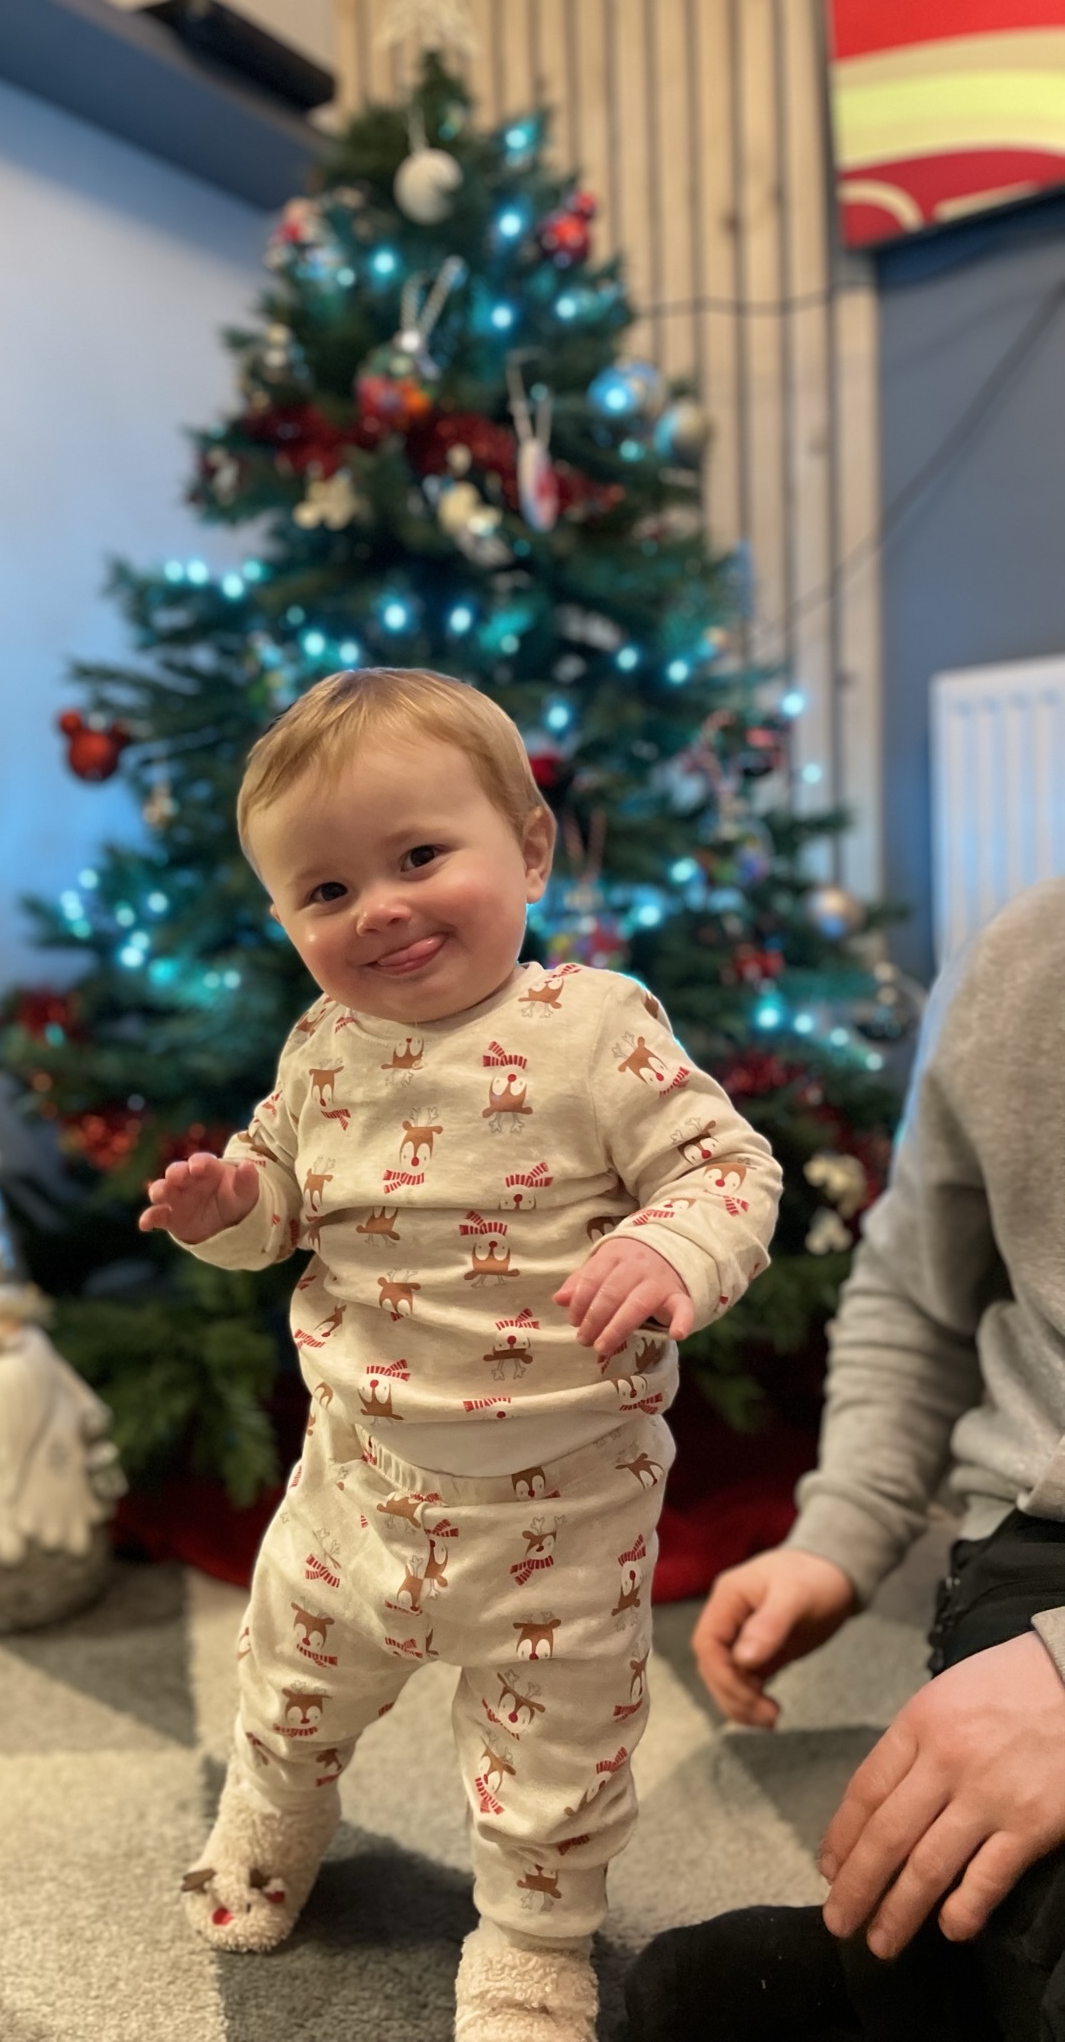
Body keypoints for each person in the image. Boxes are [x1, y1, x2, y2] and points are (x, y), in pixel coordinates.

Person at [138, 668, 782, 2042]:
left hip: (564, 1499)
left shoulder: (597, 1031)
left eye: (419, 856)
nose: (376, 908)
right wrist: (228, 1211)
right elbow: (279, 1199)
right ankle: (270, 1819)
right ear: (286, 921)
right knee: (291, 1681)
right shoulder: (320, 1049)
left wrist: (674, 1249)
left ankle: (534, 1939)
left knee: (558, 1743)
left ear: (530, 849)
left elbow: (733, 1168)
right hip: (359, 1482)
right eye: (323, 892)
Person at [623, 876, 1065, 2042]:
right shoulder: (1024, 956)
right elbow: (917, 1295)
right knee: (992, 1878)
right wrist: (843, 1529)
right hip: (1042, 1539)